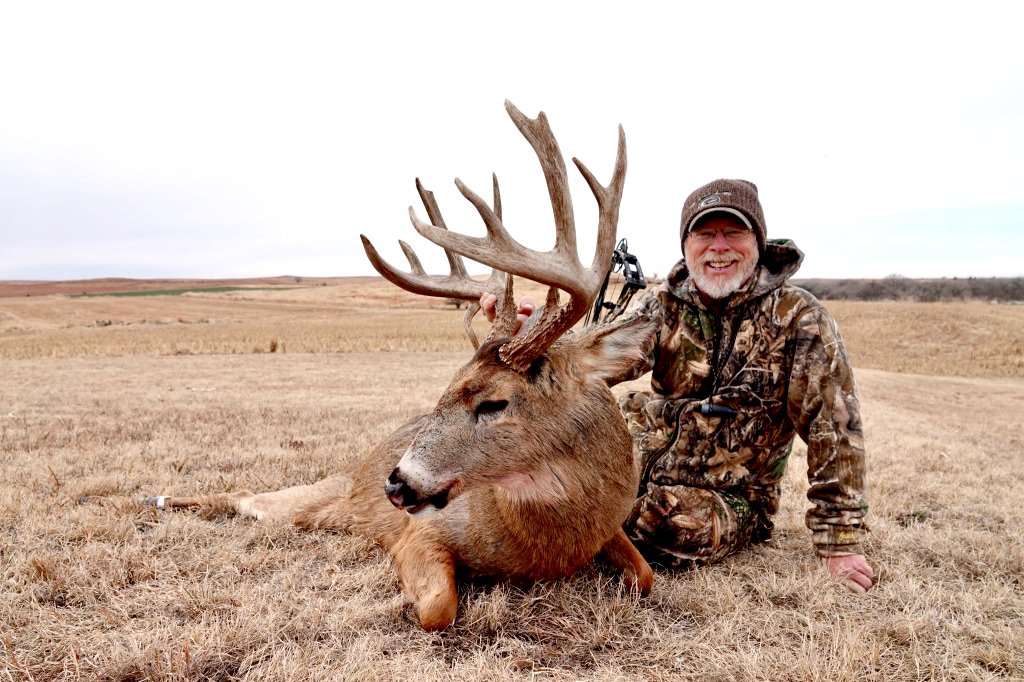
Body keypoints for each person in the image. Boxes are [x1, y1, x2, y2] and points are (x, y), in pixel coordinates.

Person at [481, 179, 873, 593]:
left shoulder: (799, 318)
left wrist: (840, 541)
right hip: (637, 470)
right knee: (553, 496)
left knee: (668, 526)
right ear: (686, 244)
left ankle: (596, 533)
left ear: (757, 241)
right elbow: (591, 360)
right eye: (704, 233)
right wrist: (531, 336)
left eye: (733, 233)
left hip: (730, 497)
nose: (718, 246)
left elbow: (834, 428)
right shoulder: (662, 305)